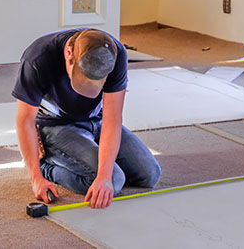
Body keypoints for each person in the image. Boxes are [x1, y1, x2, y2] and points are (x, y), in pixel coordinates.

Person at [12, 28, 161, 209]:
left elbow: (112, 118)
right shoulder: (38, 58)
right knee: (115, 180)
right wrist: (36, 177)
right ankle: (47, 167)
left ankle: (89, 161)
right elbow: (25, 120)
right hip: (56, 127)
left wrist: (103, 177)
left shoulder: (116, 54)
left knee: (150, 175)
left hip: (96, 120)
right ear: (69, 54)